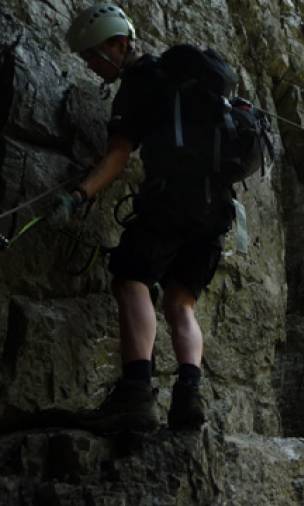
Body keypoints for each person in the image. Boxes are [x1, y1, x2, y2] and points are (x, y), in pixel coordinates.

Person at [55, 4, 236, 432]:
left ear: (118, 44)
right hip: (218, 208)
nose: (93, 67)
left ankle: (136, 392)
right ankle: (188, 398)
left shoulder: (139, 83)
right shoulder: (189, 82)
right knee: (181, 300)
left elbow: (118, 156)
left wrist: (79, 194)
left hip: (171, 199)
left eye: (93, 57)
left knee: (130, 277)